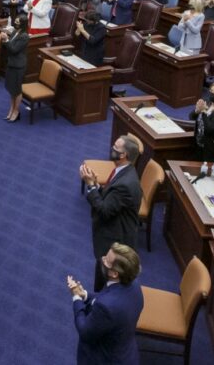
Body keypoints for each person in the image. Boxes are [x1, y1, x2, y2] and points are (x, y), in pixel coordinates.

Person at [80, 135, 142, 287]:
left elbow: (104, 210)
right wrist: (97, 185)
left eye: (115, 147)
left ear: (123, 155)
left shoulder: (125, 184)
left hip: (116, 240)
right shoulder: (124, 171)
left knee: (106, 281)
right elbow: (112, 198)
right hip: (115, 233)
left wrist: (91, 187)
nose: (111, 149)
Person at [68, 244, 143, 365]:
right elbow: (109, 297)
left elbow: (85, 332)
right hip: (126, 351)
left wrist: (76, 297)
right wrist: (85, 295)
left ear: (114, 273)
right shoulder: (134, 285)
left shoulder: (106, 307)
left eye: (106, 261)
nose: (102, 258)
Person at [2, 15, 29, 122]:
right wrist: (5, 41)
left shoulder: (25, 36)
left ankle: (16, 111)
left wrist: (6, 40)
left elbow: (14, 50)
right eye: (15, 21)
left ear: (22, 24)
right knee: (11, 88)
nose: (15, 23)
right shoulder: (14, 32)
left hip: (18, 65)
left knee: (17, 90)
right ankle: (11, 109)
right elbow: (8, 48)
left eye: (18, 22)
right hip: (11, 63)